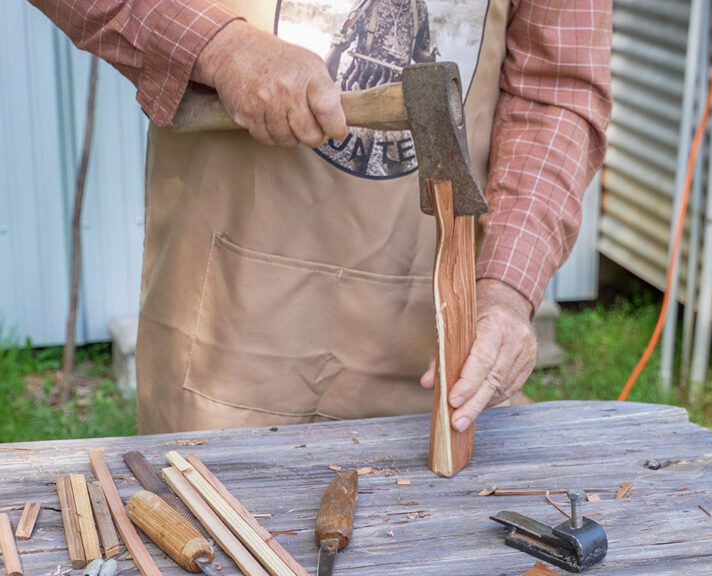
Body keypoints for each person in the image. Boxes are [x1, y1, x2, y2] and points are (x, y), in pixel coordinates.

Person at [28, 0, 612, 435]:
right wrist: (222, 47)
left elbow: (555, 87)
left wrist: (507, 288)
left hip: (438, 343)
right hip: (225, 330)